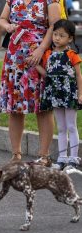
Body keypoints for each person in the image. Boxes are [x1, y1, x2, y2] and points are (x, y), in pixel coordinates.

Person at [0, 0, 61, 165]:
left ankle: (44, 155)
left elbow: (55, 25)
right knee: (15, 107)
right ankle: (16, 154)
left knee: (42, 107)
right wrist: (7, 27)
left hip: (38, 59)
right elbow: (2, 19)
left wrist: (41, 50)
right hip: (15, 58)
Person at [36, 19, 82, 171]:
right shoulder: (48, 54)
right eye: (55, 34)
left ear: (70, 38)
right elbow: (47, 74)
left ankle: (73, 159)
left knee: (71, 126)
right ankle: (62, 158)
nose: (56, 38)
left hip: (69, 94)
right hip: (55, 94)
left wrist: (80, 94)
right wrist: (35, 64)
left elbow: (78, 76)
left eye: (61, 35)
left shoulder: (72, 55)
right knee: (61, 127)